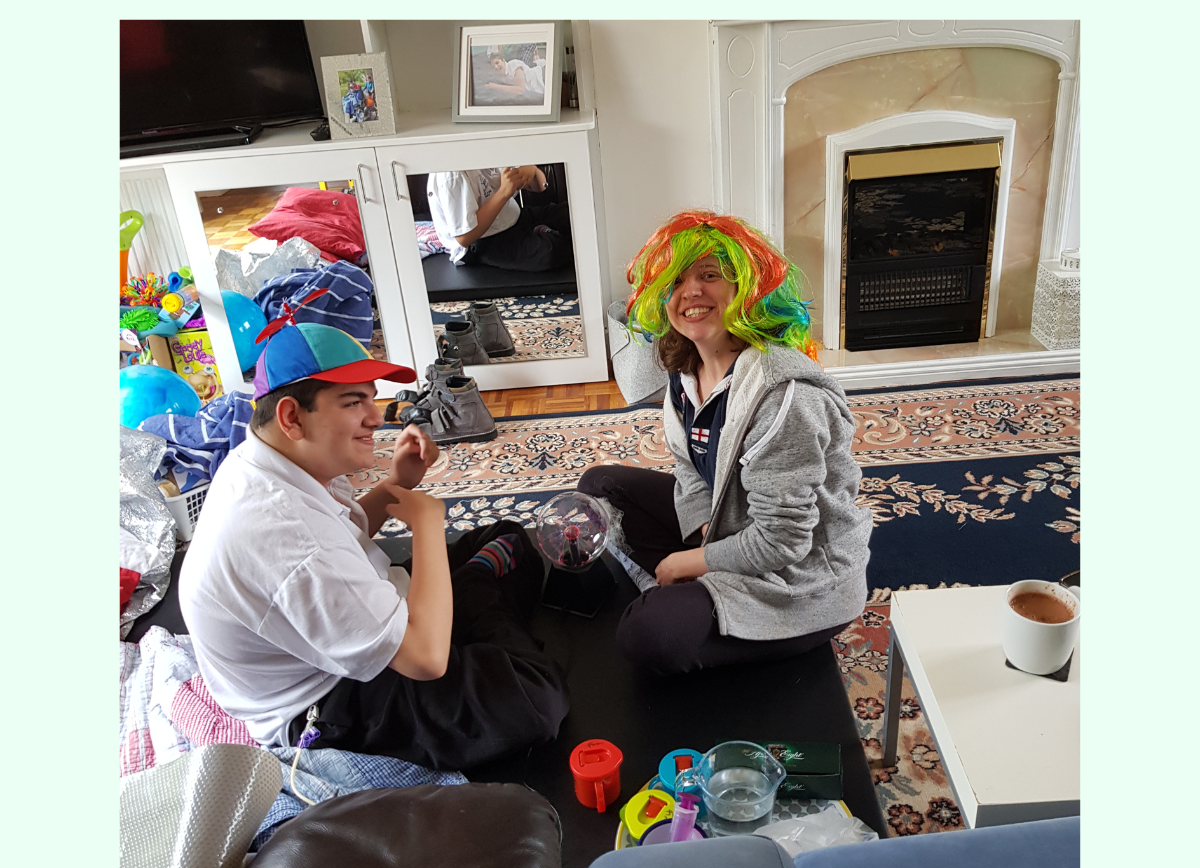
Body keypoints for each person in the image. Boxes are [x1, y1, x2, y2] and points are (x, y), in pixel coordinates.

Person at [179, 318, 569, 771]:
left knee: (508, 537)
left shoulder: (267, 461)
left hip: (362, 625)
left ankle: (468, 602)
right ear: (291, 417)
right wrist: (426, 526)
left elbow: (343, 530)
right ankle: (471, 602)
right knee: (536, 700)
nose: (376, 415)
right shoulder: (286, 535)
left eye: (371, 396)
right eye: (353, 402)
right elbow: (425, 661)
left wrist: (398, 483)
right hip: (327, 705)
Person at [578, 210, 873, 675]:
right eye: (675, 281)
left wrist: (686, 565)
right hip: (734, 531)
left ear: (745, 288)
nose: (691, 291)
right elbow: (688, 471)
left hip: (798, 580)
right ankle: (702, 598)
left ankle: (710, 611)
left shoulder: (784, 396)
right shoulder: (684, 371)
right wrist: (702, 540)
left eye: (709, 276)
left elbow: (784, 541)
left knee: (648, 636)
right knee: (600, 485)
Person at [426, 166, 572, 272]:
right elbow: (464, 238)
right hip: (484, 239)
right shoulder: (450, 175)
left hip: (511, 216)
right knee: (550, 252)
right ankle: (547, 234)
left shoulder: (492, 149)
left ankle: (543, 232)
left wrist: (532, 170)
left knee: (569, 212)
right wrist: (503, 193)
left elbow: (541, 186)